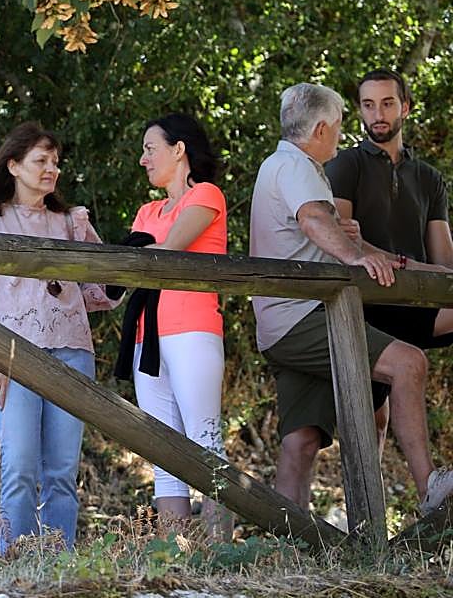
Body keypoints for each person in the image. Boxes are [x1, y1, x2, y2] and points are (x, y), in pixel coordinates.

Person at [249, 82, 453, 515]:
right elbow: (313, 220)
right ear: (322, 128)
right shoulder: (298, 166)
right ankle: (430, 489)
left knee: (300, 440)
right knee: (408, 362)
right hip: (302, 318)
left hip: (279, 325)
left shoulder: (281, 165)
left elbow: (322, 228)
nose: (342, 136)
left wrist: (365, 250)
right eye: (340, 126)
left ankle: (291, 548)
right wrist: (354, 256)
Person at [0, 123, 118, 554]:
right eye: (41, 161)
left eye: (56, 162)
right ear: (13, 165)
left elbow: (99, 293)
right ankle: (16, 560)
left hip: (72, 352)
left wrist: (130, 262)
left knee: (62, 470)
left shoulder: (71, 223)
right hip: (10, 357)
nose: (52, 170)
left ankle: (59, 563)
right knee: (20, 465)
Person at [124, 113, 230, 537]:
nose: (143, 159)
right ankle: (174, 557)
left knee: (205, 443)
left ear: (179, 149)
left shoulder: (205, 195)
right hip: (145, 338)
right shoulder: (147, 209)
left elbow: (166, 252)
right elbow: (131, 266)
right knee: (163, 455)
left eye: (150, 149)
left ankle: (222, 551)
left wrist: (141, 249)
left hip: (192, 330)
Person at [326, 68, 453, 348]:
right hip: (366, 300)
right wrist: (406, 265)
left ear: (404, 107)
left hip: (419, 302)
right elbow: (341, 241)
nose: (378, 115)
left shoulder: (429, 177)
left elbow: (444, 262)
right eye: (368, 105)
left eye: (387, 103)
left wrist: (427, 274)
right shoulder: (346, 165)